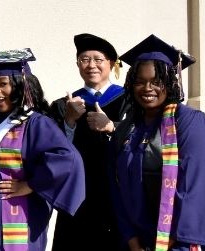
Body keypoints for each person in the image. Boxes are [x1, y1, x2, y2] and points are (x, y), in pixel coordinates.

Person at [110, 35, 205, 251]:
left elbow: (198, 185)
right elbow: (116, 187)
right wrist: (132, 239)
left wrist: (172, 242)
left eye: (156, 81)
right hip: (143, 238)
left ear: (170, 82)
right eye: (140, 81)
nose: (147, 88)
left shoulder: (189, 122)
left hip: (190, 237)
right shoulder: (127, 128)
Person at [0, 48, 86, 251]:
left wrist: (29, 185)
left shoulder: (36, 123)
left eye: (3, 84)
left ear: (21, 85)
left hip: (17, 213)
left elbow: (67, 159)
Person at [47, 33, 128, 249]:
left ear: (112, 64)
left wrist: (112, 127)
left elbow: (141, 138)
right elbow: (52, 152)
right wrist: (69, 122)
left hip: (117, 191)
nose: (91, 65)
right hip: (78, 193)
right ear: (78, 65)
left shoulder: (129, 100)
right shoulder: (63, 105)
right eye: (85, 59)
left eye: (98, 59)